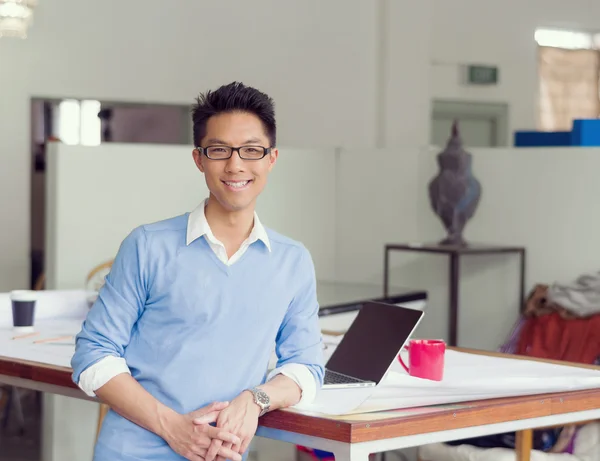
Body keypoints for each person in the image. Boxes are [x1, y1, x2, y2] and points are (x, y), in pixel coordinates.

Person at [71, 82, 325, 461]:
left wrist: (255, 399)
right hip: (132, 452)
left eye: (251, 150)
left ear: (271, 158)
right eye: (219, 150)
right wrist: (172, 427)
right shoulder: (147, 245)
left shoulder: (293, 260)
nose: (235, 165)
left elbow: (306, 368)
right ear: (199, 159)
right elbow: (92, 355)